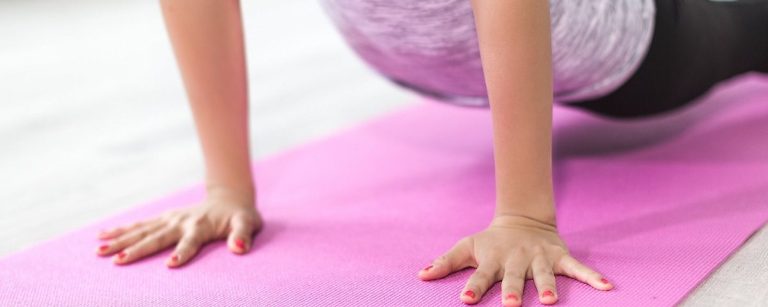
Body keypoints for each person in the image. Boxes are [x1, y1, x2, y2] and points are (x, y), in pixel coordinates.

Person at [93, 0, 768, 305]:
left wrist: (525, 216)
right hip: (431, 61)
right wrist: (227, 189)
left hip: (607, 48)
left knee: (746, 27)